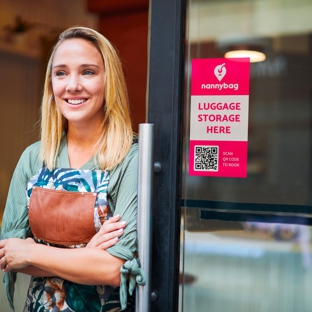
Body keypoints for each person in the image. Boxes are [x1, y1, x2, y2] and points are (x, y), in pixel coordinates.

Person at [0, 26, 145, 312]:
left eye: (88, 72)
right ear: (51, 83)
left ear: (108, 80)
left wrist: (33, 251)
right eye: (61, 73)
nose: (73, 85)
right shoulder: (34, 157)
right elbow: (9, 253)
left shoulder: (131, 158)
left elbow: (115, 269)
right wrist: (88, 254)